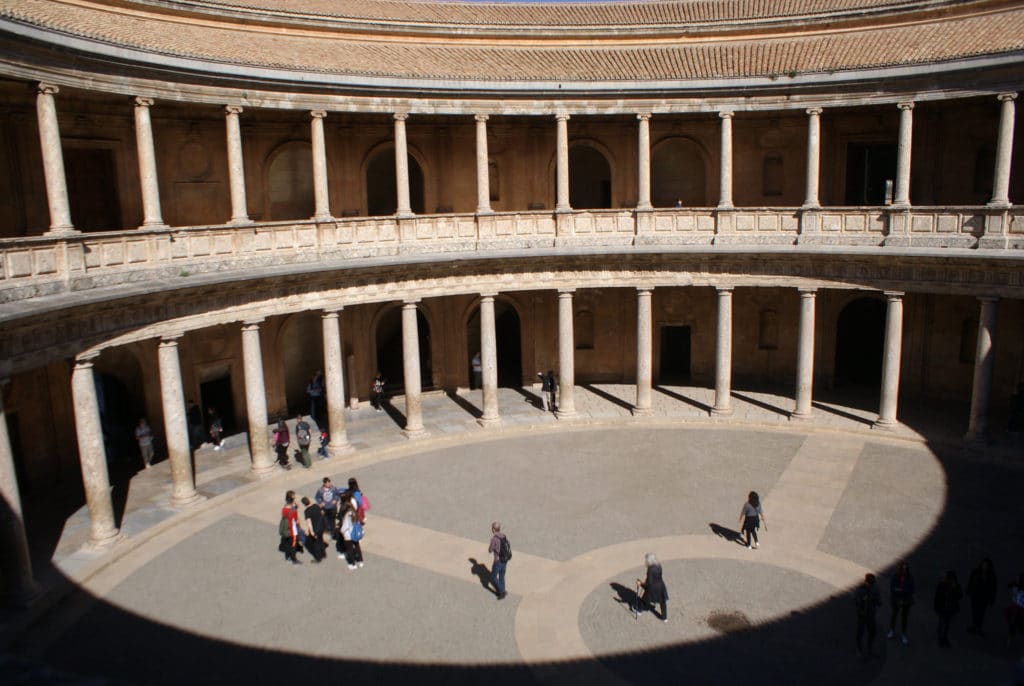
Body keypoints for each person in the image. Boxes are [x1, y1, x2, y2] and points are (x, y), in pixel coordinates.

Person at [854, 573, 883, 658]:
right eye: (870, 582)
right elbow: (856, 601)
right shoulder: (861, 590)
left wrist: (877, 601)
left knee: (873, 632)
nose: (871, 584)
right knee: (860, 632)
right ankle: (859, 649)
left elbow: (879, 601)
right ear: (866, 581)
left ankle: (869, 648)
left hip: (871, 615)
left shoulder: (875, 589)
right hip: (862, 615)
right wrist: (860, 609)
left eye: (872, 583)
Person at [966, 558, 998, 635]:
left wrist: (991, 599)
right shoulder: (976, 572)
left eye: (986, 565)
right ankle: (974, 626)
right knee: (975, 611)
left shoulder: (991, 576)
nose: (985, 566)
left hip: (984, 597)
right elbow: (971, 582)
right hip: (975, 595)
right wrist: (969, 591)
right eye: (984, 564)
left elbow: (993, 588)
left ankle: (978, 627)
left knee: (981, 613)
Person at [888, 560, 916, 646]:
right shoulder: (896, 576)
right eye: (903, 569)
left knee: (904, 617)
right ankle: (892, 630)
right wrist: (901, 590)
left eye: (906, 569)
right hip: (896, 599)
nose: (904, 570)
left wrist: (902, 590)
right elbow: (892, 588)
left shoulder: (910, 577)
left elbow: (912, 589)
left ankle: (903, 633)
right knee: (894, 615)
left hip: (906, 600)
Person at [934, 570, 963, 647]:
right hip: (943, 608)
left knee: (947, 624)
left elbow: (960, 596)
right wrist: (937, 607)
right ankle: (941, 638)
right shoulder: (942, 585)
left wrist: (955, 588)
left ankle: (944, 638)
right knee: (942, 623)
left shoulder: (956, 586)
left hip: (950, 609)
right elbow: (937, 597)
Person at [637, 552, 669, 622]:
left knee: (644, 599)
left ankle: (639, 611)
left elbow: (649, 583)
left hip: (653, 588)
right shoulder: (659, 565)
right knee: (662, 603)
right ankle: (664, 618)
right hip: (661, 586)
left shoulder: (650, 569)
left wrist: (641, 584)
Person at [338, 498, 364, 570]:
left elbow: (345, 527)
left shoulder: (347, 515)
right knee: (357, 547)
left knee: (350, 550)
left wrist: (341, 531)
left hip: (348, 535)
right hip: (355, 533)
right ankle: (360, 561)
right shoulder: (354, 513)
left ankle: (352, 564)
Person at [488, 521, 509, 600]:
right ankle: (502, 590)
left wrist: (492, 548)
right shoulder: (504, 536)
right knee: (502, 576)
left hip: (498, 561)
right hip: (505, 559)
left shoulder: (494, 539)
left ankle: (502, 591)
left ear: (493, 529)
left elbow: (490, 550)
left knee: (493, 577)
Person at [278, 490, 301, 564]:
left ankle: (287, 556)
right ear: (292, 500)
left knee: (287, 543)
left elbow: (286, 515)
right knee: (293, 545)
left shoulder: (284, 508)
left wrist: (294, 506)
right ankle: (293, 559)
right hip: (292, 531)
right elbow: (296, 521)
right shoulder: (293, 511)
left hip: (286, 530)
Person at [301, 496, 326, 563]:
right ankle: (323, 554)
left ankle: (318, 558)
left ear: (304, 504)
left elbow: (309, 522)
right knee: (321, 540)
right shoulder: (316, 506)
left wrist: (311, 532)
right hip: (321, 527)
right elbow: (322, 513)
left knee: (316, 543)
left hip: (315, 529)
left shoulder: (307, 511)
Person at [1007, 572, 1024, 645]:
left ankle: (1011, 637)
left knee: (1018, 623)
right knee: (1013, 623)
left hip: (1020, 608)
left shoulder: (1017, 586)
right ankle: (1011, 637)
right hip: (1016, 607)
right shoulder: (1016, 586)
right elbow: (1009, 585)